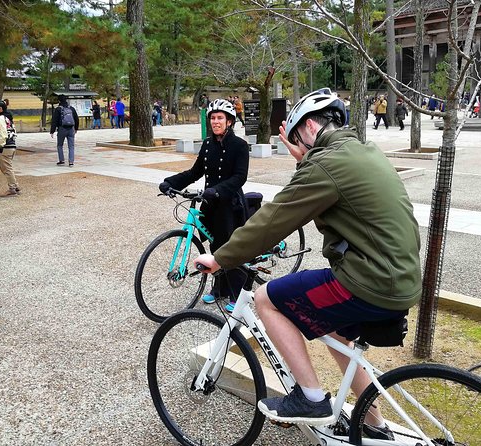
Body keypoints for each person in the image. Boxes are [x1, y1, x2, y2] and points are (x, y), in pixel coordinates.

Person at [193, 88, 421, 436]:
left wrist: (221, 257)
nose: (299, 145)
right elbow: (328, 186)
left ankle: (311, 398)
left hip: (370, 280)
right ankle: (372, 423)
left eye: (298, 136)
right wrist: (304, 160)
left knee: (267, 298)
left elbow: (276, 217)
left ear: (311, 127)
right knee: (335, 331)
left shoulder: (326, 165)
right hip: (397, 277)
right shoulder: (360, 151)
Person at [159, 99, 249, 313]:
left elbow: (239, 177)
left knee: (229, 247)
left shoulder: (239, 145)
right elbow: (194, 173)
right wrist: (171, 182)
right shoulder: (208, 144)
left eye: (220, 118)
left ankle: (237, 292)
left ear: (229, 121)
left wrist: (217, 190)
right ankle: (219, 288)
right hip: (210, 204)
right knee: (214, 247)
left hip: (230, 204)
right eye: (213, 118)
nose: (215, 121)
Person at [0, 100, 20, 197]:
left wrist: (0, 144)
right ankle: (15, 185)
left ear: (0, 108)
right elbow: (14, 130)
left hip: (6, 146)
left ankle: (12, 188)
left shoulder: (1, 118)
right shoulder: (8, 118)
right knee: (5, 167)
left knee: (7, 168)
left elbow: (3, 133)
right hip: (12, 145)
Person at [50, 95, 79, 167]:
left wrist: (52, 131)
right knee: (71, 146)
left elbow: (54, 121)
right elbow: (76, 119)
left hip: (62, 129)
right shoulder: (71, 108)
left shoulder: (58, 109)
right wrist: (76, 128)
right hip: (71, 129)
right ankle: (71, 162)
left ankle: (61, 160)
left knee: (60, 145)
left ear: (59, 101)